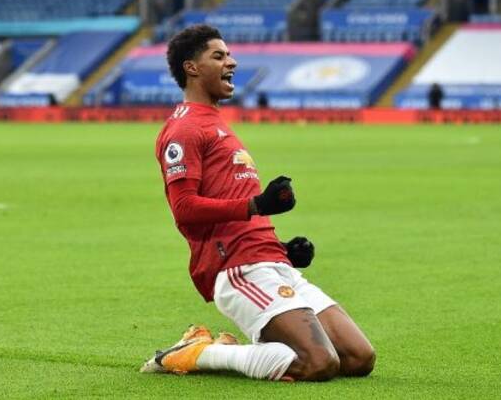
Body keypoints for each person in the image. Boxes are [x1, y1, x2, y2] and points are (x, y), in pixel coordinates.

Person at [142, 24, 375, 382]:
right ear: (192, 68)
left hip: (269, 261)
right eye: (219, 56)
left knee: (358, 358)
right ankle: (197, 353)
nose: (231, 62)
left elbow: (231, 200)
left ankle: (253, 343)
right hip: (236, 269)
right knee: (318, 363)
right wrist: (256, 206)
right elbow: (185, 210)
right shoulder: (184, 129)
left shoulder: (215, 123)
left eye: (229, 54)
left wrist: (280, 248)